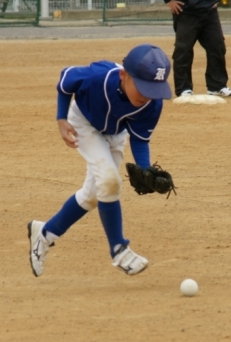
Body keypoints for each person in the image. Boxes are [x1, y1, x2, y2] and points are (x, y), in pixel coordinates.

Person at [28, 44, 172, 276]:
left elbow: (139, 138)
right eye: (143, 88)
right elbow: (65, 82)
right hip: (84, 122)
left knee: (94, 195)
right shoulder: (97, 77)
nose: (147, 96)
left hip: (116, 133)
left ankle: (45, 233)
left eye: (154, 90)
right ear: (124, 75)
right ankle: (119, 249)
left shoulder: (152, 104)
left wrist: (145, 169)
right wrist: (61, 118)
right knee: (109, 180)